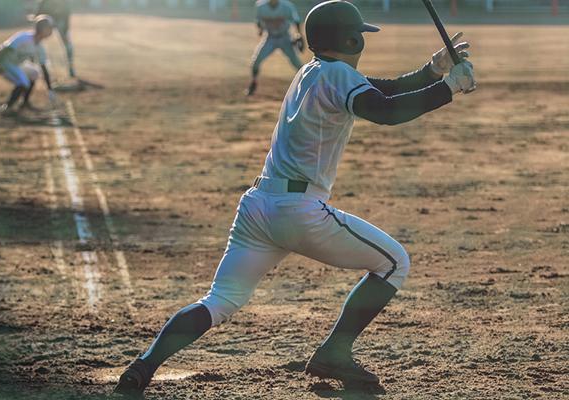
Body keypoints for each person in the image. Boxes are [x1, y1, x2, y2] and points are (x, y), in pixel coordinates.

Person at [113, 1, 475, 397]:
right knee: (394, 263)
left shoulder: (313, 71)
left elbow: (381, 91)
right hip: (299, 212)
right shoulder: (338, 75)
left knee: (218, 302)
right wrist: (449, 88)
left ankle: (142, 367)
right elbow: (386, 111)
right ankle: (335, 352)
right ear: (351, 39)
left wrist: (432, 71)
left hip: (257, 208)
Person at [0, 15, 57, 116]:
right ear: (43, 29)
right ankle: (7, 107)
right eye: (49, 28)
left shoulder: (40, 47)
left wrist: (50, 89)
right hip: (4, 64)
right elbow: (4, 49)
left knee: (34, 73)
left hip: (16, 64)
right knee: (23, 82)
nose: (51, 31)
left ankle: (24, 103)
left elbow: (43, 68)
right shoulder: (24, 37)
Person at [247, 0, 304, 96]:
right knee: (256, 61)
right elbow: (258, 20)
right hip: (269, 37)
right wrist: (260, 29)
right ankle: (253, 82)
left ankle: (308, 84)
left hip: (285, 37)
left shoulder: (286, 6)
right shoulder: (261, 6)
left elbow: (296, 20)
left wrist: (299, 35)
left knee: (297, 63)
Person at [36, 0, 75, 77]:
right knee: (37, 41)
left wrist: (66, 26)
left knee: (67, 44)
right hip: (48, 19)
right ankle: (37, 67)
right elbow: (42, 6)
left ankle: (70, 67)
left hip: (61, 20)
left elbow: (66, 10)